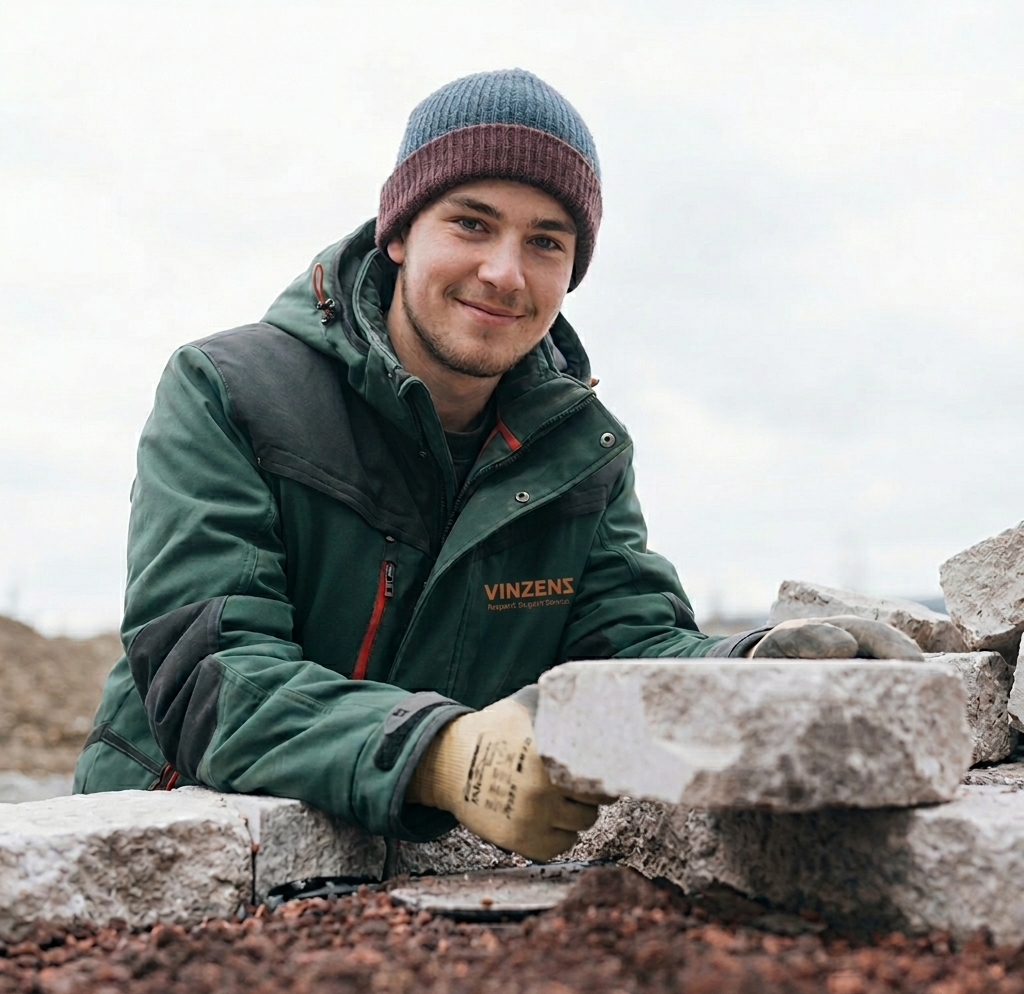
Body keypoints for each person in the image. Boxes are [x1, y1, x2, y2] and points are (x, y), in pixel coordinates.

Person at [74, 69, 920, 860]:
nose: (505, 272)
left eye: (546, 241)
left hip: (410, 875)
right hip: (186, 851)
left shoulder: (583, 448)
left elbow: (624, 646)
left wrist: (746, 671)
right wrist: (440, 756)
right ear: (399, 232)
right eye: (472, 223)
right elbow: (210, 677)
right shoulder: (229, 391)